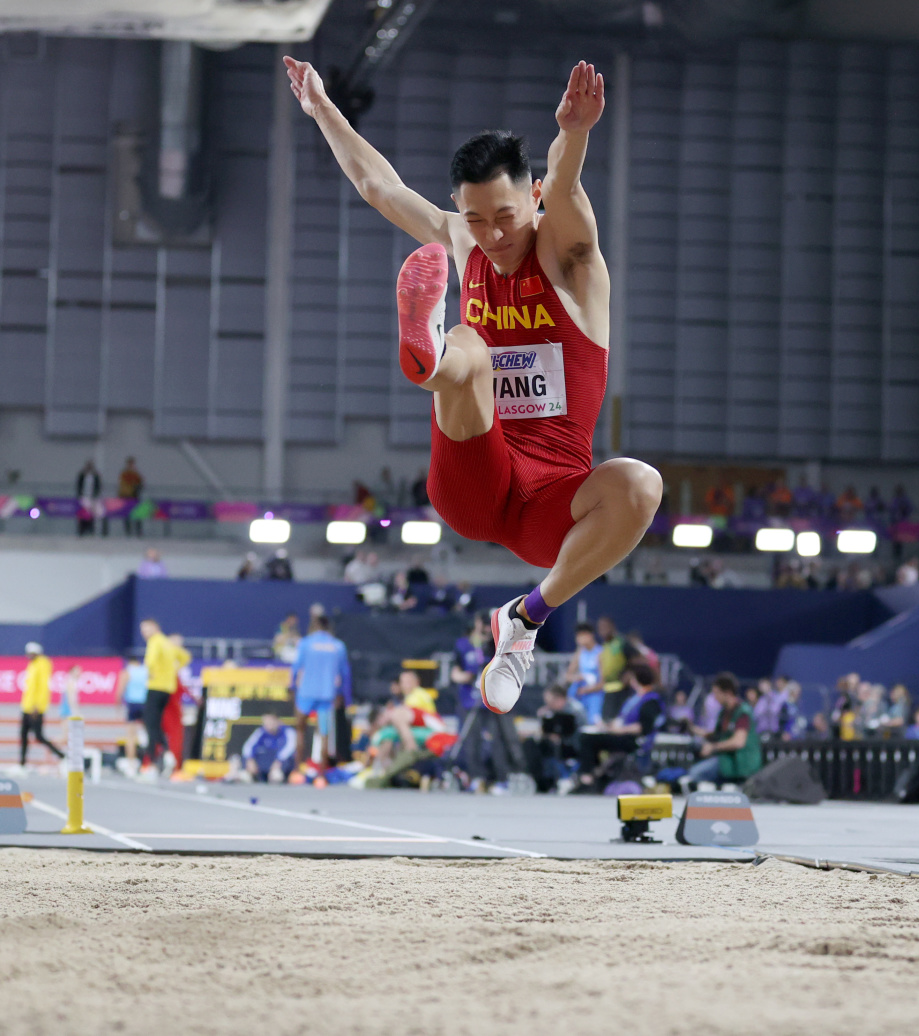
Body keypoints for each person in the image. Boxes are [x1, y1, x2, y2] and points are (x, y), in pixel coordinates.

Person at [285, 56, 661, 719]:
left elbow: (567, 185)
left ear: (533, 197)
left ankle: (524, 620)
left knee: (640, 484)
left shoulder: (571, 260)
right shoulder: (465, 241)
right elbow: (378, 185)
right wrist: (323, 109)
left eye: (505, 215)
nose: (493, 235)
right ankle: (429, 357)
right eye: (476, 218)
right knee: (473, 347)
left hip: (551, 507)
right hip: (474, 477)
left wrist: (573, 133)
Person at [573, 663, 664, 791]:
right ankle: (594, 775)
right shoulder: (636, 698)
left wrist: (619, 730)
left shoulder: (650, 700)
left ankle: (587, 777)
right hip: (622, 734)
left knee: (587, 739)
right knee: (587, 736)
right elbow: (622, 719)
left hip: (634, 740)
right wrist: (607, 726)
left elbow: (643, 727)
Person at [290, 614, 351, 770]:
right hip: (326, 695)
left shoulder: (305, 643)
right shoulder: (338, 646)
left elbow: (296, 668)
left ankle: (296, 769)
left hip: (306, 693)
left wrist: (292, 687)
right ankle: (322, 773)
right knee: (324, 733)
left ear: (314, 626)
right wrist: (344, 696)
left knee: (300, 730)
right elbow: (345, 673)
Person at [684, 673, 762, 789]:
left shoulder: (742, 712)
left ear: (728, 693)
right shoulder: (724, 713)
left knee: (695, 774)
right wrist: (693, 729)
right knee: (693, 770)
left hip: (741, 763)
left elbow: (738, 742)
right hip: (726, 760)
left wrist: (713, 747)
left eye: (717, 693)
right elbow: (717, 735)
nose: (714, 697)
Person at [139, 619, 191, 779]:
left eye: (147, 629)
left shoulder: (155, 641)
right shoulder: (168, 643)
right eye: (142, 630)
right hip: (167, 689)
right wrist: (174, 669)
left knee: (150, 725)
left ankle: (152, 763)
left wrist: (151, 672)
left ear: (155, 628)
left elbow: (150, 661)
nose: (144, 633)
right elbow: (185, 656)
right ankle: (166, 754)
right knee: (155, 724)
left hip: (155, 687)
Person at [19, 642, 65, 768]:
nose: (28, 656)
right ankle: (22, 763)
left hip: (35, 708)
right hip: (27, 706)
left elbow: (43, 688)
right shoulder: (33, 664)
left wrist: (37, 706)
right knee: (23, 735)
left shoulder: (42, 664)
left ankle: (61, 755)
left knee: (39, 736)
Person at [450, 613, 490, 721]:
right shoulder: (463, 645)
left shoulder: (494, 646)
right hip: (469, 697)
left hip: (490, 699)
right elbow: (455, 672)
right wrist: (465, 676)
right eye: (485, 624)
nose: (488, 628)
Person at [561, 622, 603, 723]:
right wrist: (578, 677)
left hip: (594, 694)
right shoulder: (579, 653)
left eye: (581, 636)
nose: (578, 639)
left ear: (590, 635)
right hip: (580, 693)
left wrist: (587, 690)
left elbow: (603, 682)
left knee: (592, 721)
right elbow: (568, 675)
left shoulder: (600, 653)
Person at [115, 652, 148, 776]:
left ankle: (131, 764)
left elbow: (120, 690)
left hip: (133, 705)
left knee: (130, 736)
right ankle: (148, 763)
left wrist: (118, 704)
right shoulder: (145, 670)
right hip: (145, 704)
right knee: (149, 734)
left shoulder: (127, 672)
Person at [240, 712, 297, 783]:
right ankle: (247, 775)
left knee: (287, 761)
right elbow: (248, 747)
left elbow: (290, 748)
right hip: (265, 761)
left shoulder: (288, 731)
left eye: (270, 722)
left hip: (280, 762)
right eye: (266, 722)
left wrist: (279, 760)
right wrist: (250, 759)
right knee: (244, 759)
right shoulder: (260, 731)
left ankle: (277, 777)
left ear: (277, 721)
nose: (268, 725)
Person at [118, 457, 145, 535]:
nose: (131, 465)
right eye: (129, 464)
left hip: (134, 496)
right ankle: (128, 531)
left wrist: (137, 487)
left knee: (137, 514)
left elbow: (141, 484)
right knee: (127, 515)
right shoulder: (124, 474)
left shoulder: (136, 474)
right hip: (126, 496)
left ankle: (138, 531)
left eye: (132, 464)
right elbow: (122, 485)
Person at [75, 460, 102, 536]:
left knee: (91, 514)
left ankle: (91, 530)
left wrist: (95, 495)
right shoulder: (82, 475)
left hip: (92, 498)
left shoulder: (95, 476)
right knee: (83, 514)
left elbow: (98, 486)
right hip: (84, 497)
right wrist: (80, 494)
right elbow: (79, 485)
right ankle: (82, 530)